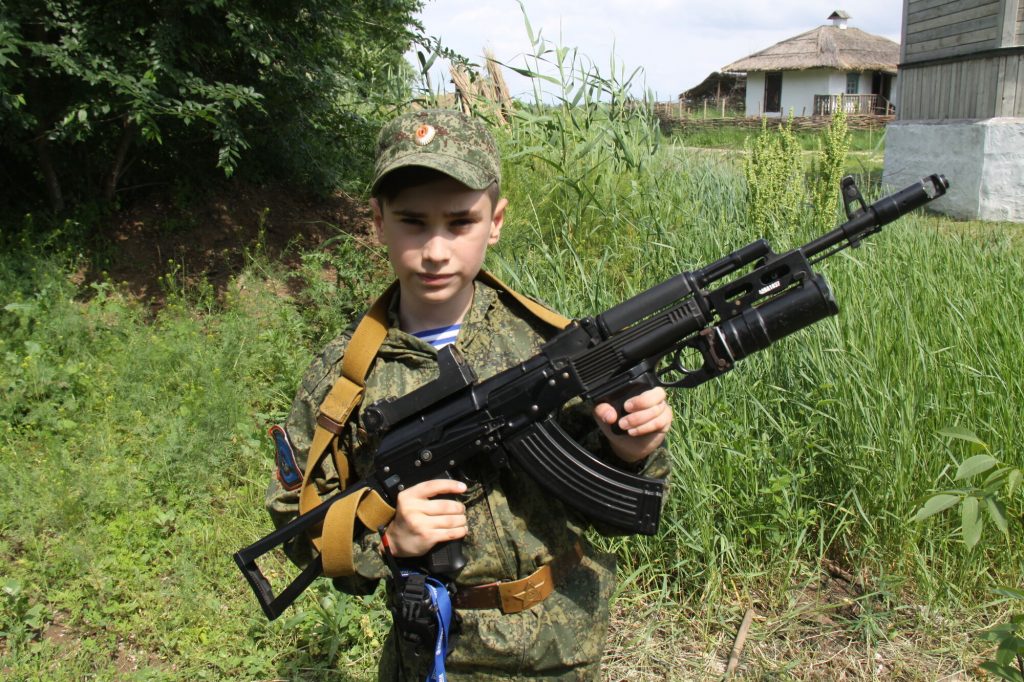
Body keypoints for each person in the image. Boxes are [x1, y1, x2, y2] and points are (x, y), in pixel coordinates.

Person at [266, 109, 673, 680]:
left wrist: (631, 453)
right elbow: (296, 520)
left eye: (460, 223)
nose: (436, 250)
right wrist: (387, 539)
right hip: (439, 652)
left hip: (566, 645)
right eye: (413, 222)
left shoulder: (544, 343)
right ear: (378, 222)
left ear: (495, 221)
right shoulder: (342, 382)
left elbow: (616, 508)